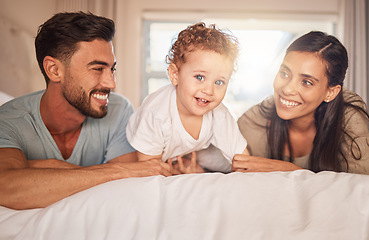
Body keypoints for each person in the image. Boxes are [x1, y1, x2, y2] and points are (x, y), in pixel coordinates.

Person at [0, 12, 172, 210]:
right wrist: (116, 171)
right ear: (54, 70)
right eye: (98, 69)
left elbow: (131, 185)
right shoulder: (9, 120)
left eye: (112, 69)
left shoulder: (118, 110)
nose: (111, 83)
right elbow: (5, 187)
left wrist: (36, 167)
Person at [235, 31, 369, 174]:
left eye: (306, 82)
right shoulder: (252, 123)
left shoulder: (348, 117)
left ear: (331, 92)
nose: (287, 89)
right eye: (284, 73)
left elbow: (360, 188)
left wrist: (290, 171)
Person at [127, 22, 249, 174]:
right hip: (145, 152)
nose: (209, 90)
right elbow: (149, 170)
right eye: (200, 77)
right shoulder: (156, 113)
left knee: (227, 166)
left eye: (219, 82)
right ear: (175, 75)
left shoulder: (219, 114)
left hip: (193, 150)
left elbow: (244, 162)